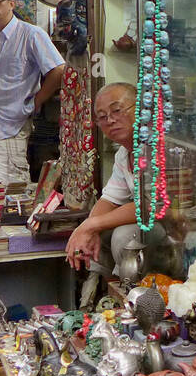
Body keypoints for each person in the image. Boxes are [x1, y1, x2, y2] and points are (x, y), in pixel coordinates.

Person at [64, 82, 180, 284]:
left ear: (140, 109)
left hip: (175, 229)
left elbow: (151, 206)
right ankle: (103, 297)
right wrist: (87, 229)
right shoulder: (124, 153)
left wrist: (91, 225)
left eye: (117, 110)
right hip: (154, 224)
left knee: (124, 236)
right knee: (98, 230)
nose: (110, 120)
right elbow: (110, 198)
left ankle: (137, 295)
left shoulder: (156, 147)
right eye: (102, 117)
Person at [0, 0, 66, 184]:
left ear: (12, 3)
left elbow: (58, 70)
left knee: (11, 190)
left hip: (12, 122)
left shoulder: (31, 34)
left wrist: (35, 103)